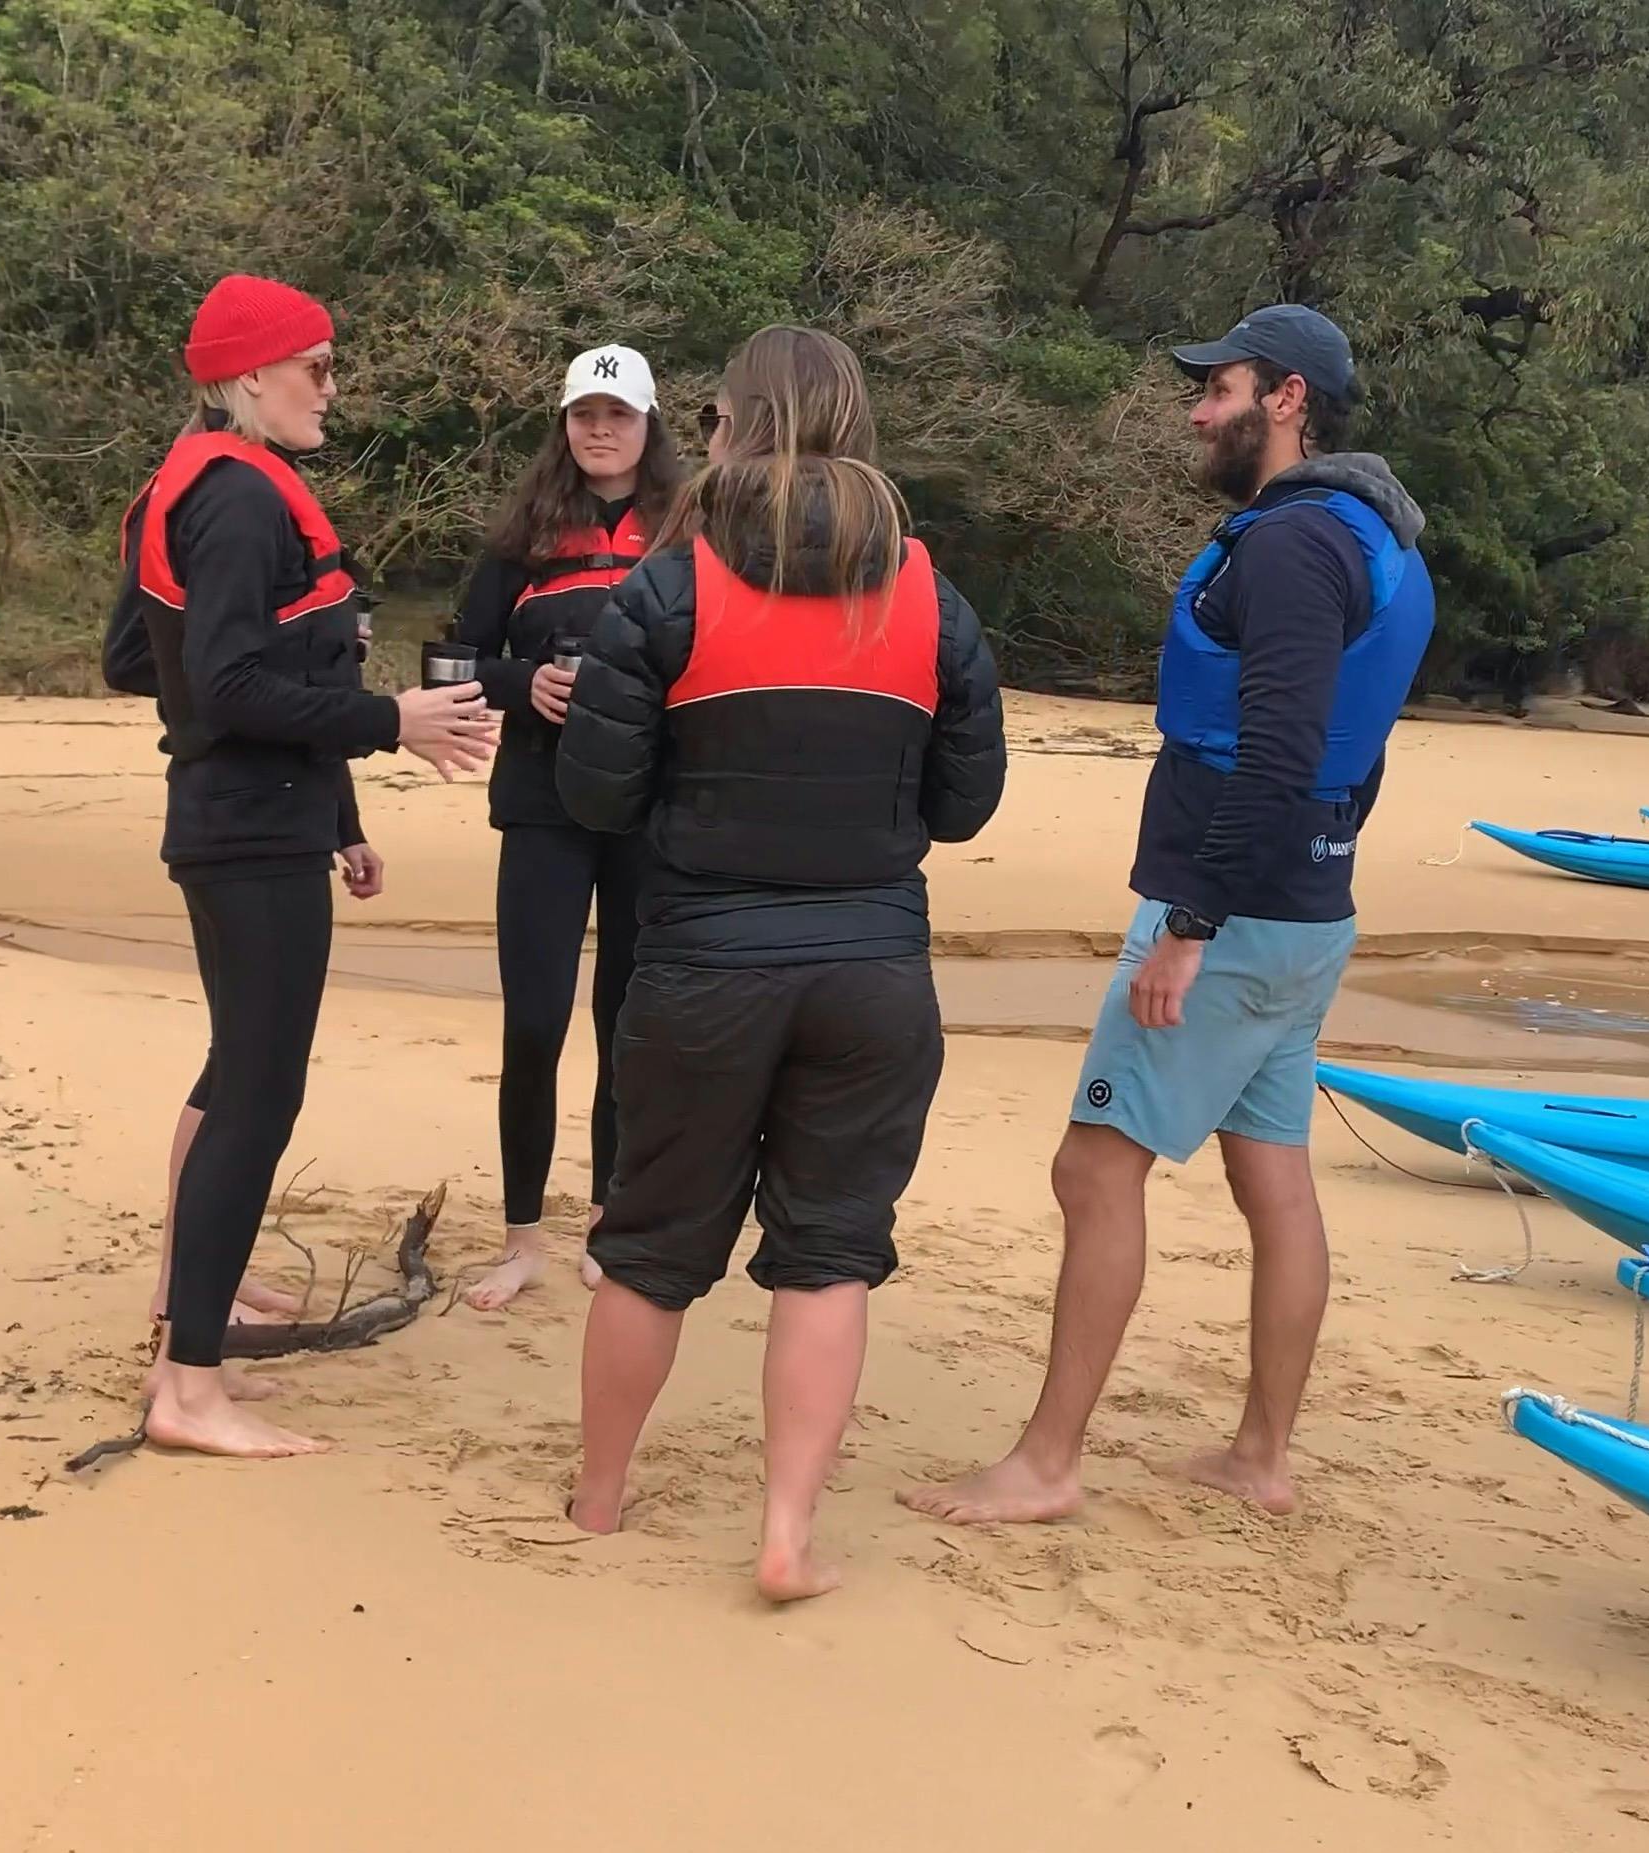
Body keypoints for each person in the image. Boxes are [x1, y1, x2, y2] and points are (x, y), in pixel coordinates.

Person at [907, 302, 1432, 1527]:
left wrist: (1193, 922)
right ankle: (1261, 1457)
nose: (1199, 414)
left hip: (1233, 920)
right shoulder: (1374, 537)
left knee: (1094, 1169)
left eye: (1219, 390)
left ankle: (1047, 1463)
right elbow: (1352, 752)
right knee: (1273, 1175)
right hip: (1307, 912)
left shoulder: (1294, 545)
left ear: (1287, 399)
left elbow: (1285, 744)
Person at [557, 324, 1008, 1600]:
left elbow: (597, 794)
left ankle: (599, 1499)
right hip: (872, 972)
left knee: (651, 1245)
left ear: (733, 426)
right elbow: (965, 804)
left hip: (702, 967)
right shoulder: (928, 595)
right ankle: (787, 1531)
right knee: (830, 1251)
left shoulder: (670, 586)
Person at [102, 273, 499, 1457]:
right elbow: (224, 684)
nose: (333, 386)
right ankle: (189, 1388)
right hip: (244, 830)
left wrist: (338, 815)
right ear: (251, 377)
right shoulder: (236, 498)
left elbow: (142, 657)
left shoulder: (199, 484)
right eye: (316, 365)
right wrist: (390, 722)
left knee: (238, 1074)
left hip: (251, 820)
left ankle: (189, 1316)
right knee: (259, 1097)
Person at [452, 346, 686, 1311]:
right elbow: (452, 661)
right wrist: (525, 682)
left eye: (618, 415)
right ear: (564, 423)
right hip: (542, 805)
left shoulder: (688, 530)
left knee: (626, 1023)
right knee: (536, 1021)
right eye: (585, 413)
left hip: (643, 808)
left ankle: (605, 1223)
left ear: (647, 424)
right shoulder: (523, 536)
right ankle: (521, 1239)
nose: (600, 430)